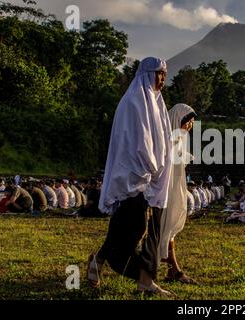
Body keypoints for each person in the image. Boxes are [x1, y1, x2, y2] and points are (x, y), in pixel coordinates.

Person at [87, 57, 173, 295]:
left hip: (149, 179)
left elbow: (162, 141)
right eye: (159, 73)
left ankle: (101, 262)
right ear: (147, 74)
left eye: (165, 74)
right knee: (136, 228)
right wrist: (149, 168)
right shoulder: (134, 101)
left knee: (127, 226)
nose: (163, 79)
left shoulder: (157, 103)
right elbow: (135, 141)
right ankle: (141, 276)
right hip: (134, 177)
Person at [159, 103, 198, 284]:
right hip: (166, 189)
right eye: (188, 121)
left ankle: (172, 270)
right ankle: (174, 270)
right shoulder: (167, 138)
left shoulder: (179, 139)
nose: (190, 125)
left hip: (175, 187)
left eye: (191, 122)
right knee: (166, 228)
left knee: (169, 229)